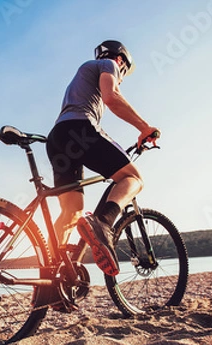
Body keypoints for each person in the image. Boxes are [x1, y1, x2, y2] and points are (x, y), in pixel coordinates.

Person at [46, 40, 160, 276]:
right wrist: (144, 128)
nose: (121, 76)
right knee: (133, 178)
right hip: (80, 129)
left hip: (57, 137)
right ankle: (103, 223)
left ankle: (53, 279)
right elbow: (111, 96)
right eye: (123, 72)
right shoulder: (109, 63)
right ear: (121, 61)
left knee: (71, 212)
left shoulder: (82, 76)